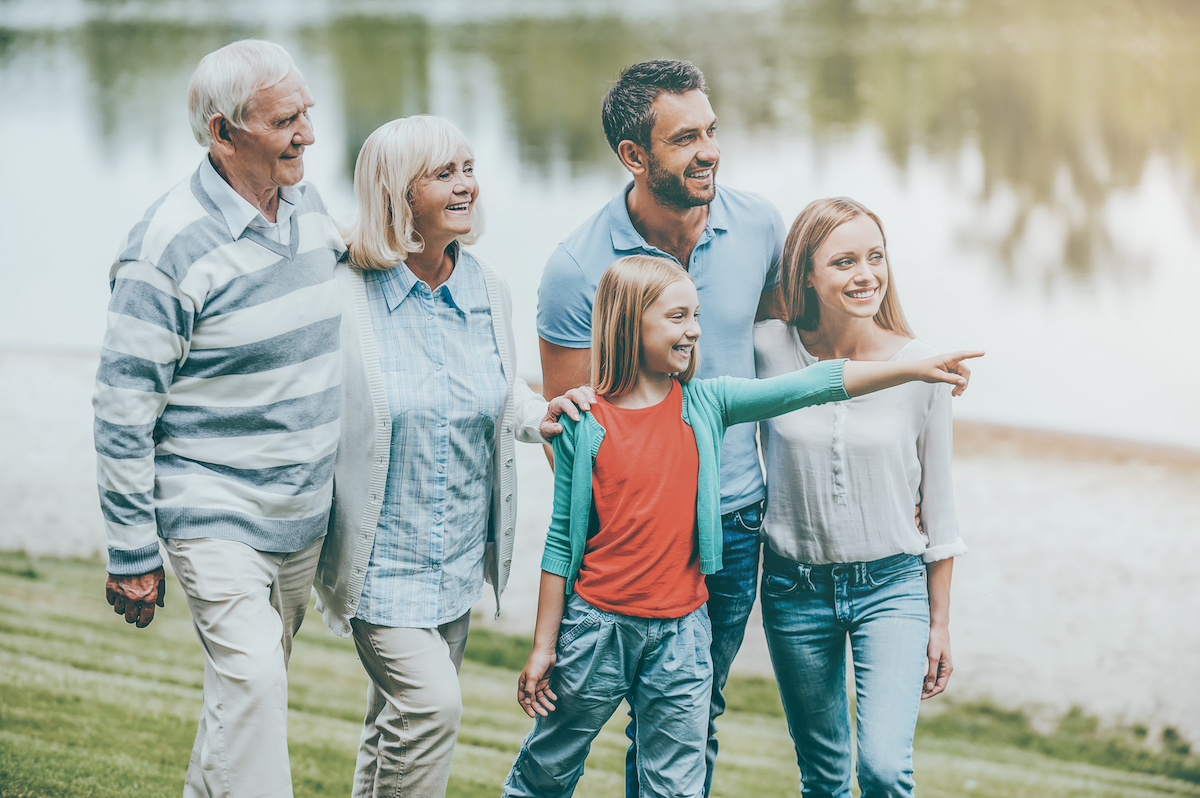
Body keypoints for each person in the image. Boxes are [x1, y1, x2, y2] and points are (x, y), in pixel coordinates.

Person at [504, 254, 982, 798]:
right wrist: (545, 645)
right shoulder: (582, 424)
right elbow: (561, 545)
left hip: (683, 636)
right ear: (629, 323)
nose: (694, 330)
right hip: (597, 632)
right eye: (677, 317)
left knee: (675, 788)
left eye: (697, 314)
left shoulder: (708, 404)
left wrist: (911, 368)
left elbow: (819, 383)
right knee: (547, 770)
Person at [93, 39, 345, 797]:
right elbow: (122, 406)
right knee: (256, 685)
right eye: (285, 120)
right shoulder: (167, 249)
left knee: (245, 702)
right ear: (222, 131)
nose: (308, 133)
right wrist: (132, 549)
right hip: (212, 507)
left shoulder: (308, 204)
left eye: (306, 112)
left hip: (301, 513)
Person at [312, 115, 592, 798]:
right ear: (396, 193)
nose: (467, 185)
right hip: (380, 567)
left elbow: (501, 398)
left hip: (458, 562)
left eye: (468, 168)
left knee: (394, 723)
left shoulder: (486, 288)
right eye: (445, 174)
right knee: (433, 709)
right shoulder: (344, 291)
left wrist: (542, 414)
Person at [536, 58, 786, 794]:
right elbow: (569, 432)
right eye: (685, 139)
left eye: (710, 130)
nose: (708, 149)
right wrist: (614, 543)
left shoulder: (762, 226)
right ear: (634, 156)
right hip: (625, 540)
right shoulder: (577, 267)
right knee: (575, 718)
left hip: (733, 525)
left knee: (690, 712)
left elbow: (780, 357)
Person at [754, 197, 970, 797]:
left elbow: (942, 508)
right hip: (793, 591)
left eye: (875, 257)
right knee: (823, 779)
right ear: (807, 275)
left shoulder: (924, 366)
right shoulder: (767, 350)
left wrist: (941, 622)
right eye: (844, 261)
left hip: (892, 588)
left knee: (882, 768)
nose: (866, 274)